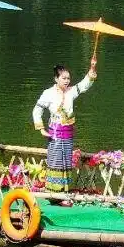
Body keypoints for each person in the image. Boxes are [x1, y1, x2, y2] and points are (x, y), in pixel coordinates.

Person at [32, 55, 97, 193]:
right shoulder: (48, 93)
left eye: (68, 78)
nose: (67, 81)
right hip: (54, 133)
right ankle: (53, 191)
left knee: (66, 162)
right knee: (55, 161)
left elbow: (84, 84)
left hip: (67, 133)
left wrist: (92, 67)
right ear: (56, 79)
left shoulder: (71, 91)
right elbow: (37, 109)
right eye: (64, 78)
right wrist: (41, 128)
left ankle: (64, 191)